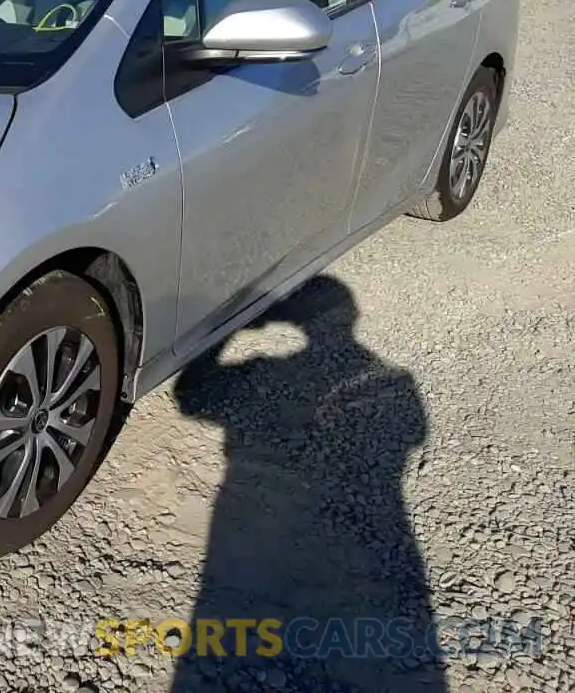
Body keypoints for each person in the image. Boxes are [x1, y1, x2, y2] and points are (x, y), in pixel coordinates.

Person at [170, 276, 445, 692]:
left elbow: (190, 397)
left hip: (254, 522)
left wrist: (225, 332)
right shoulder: (394, 381)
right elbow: (415, 432)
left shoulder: (271, 372)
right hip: (371, 531)